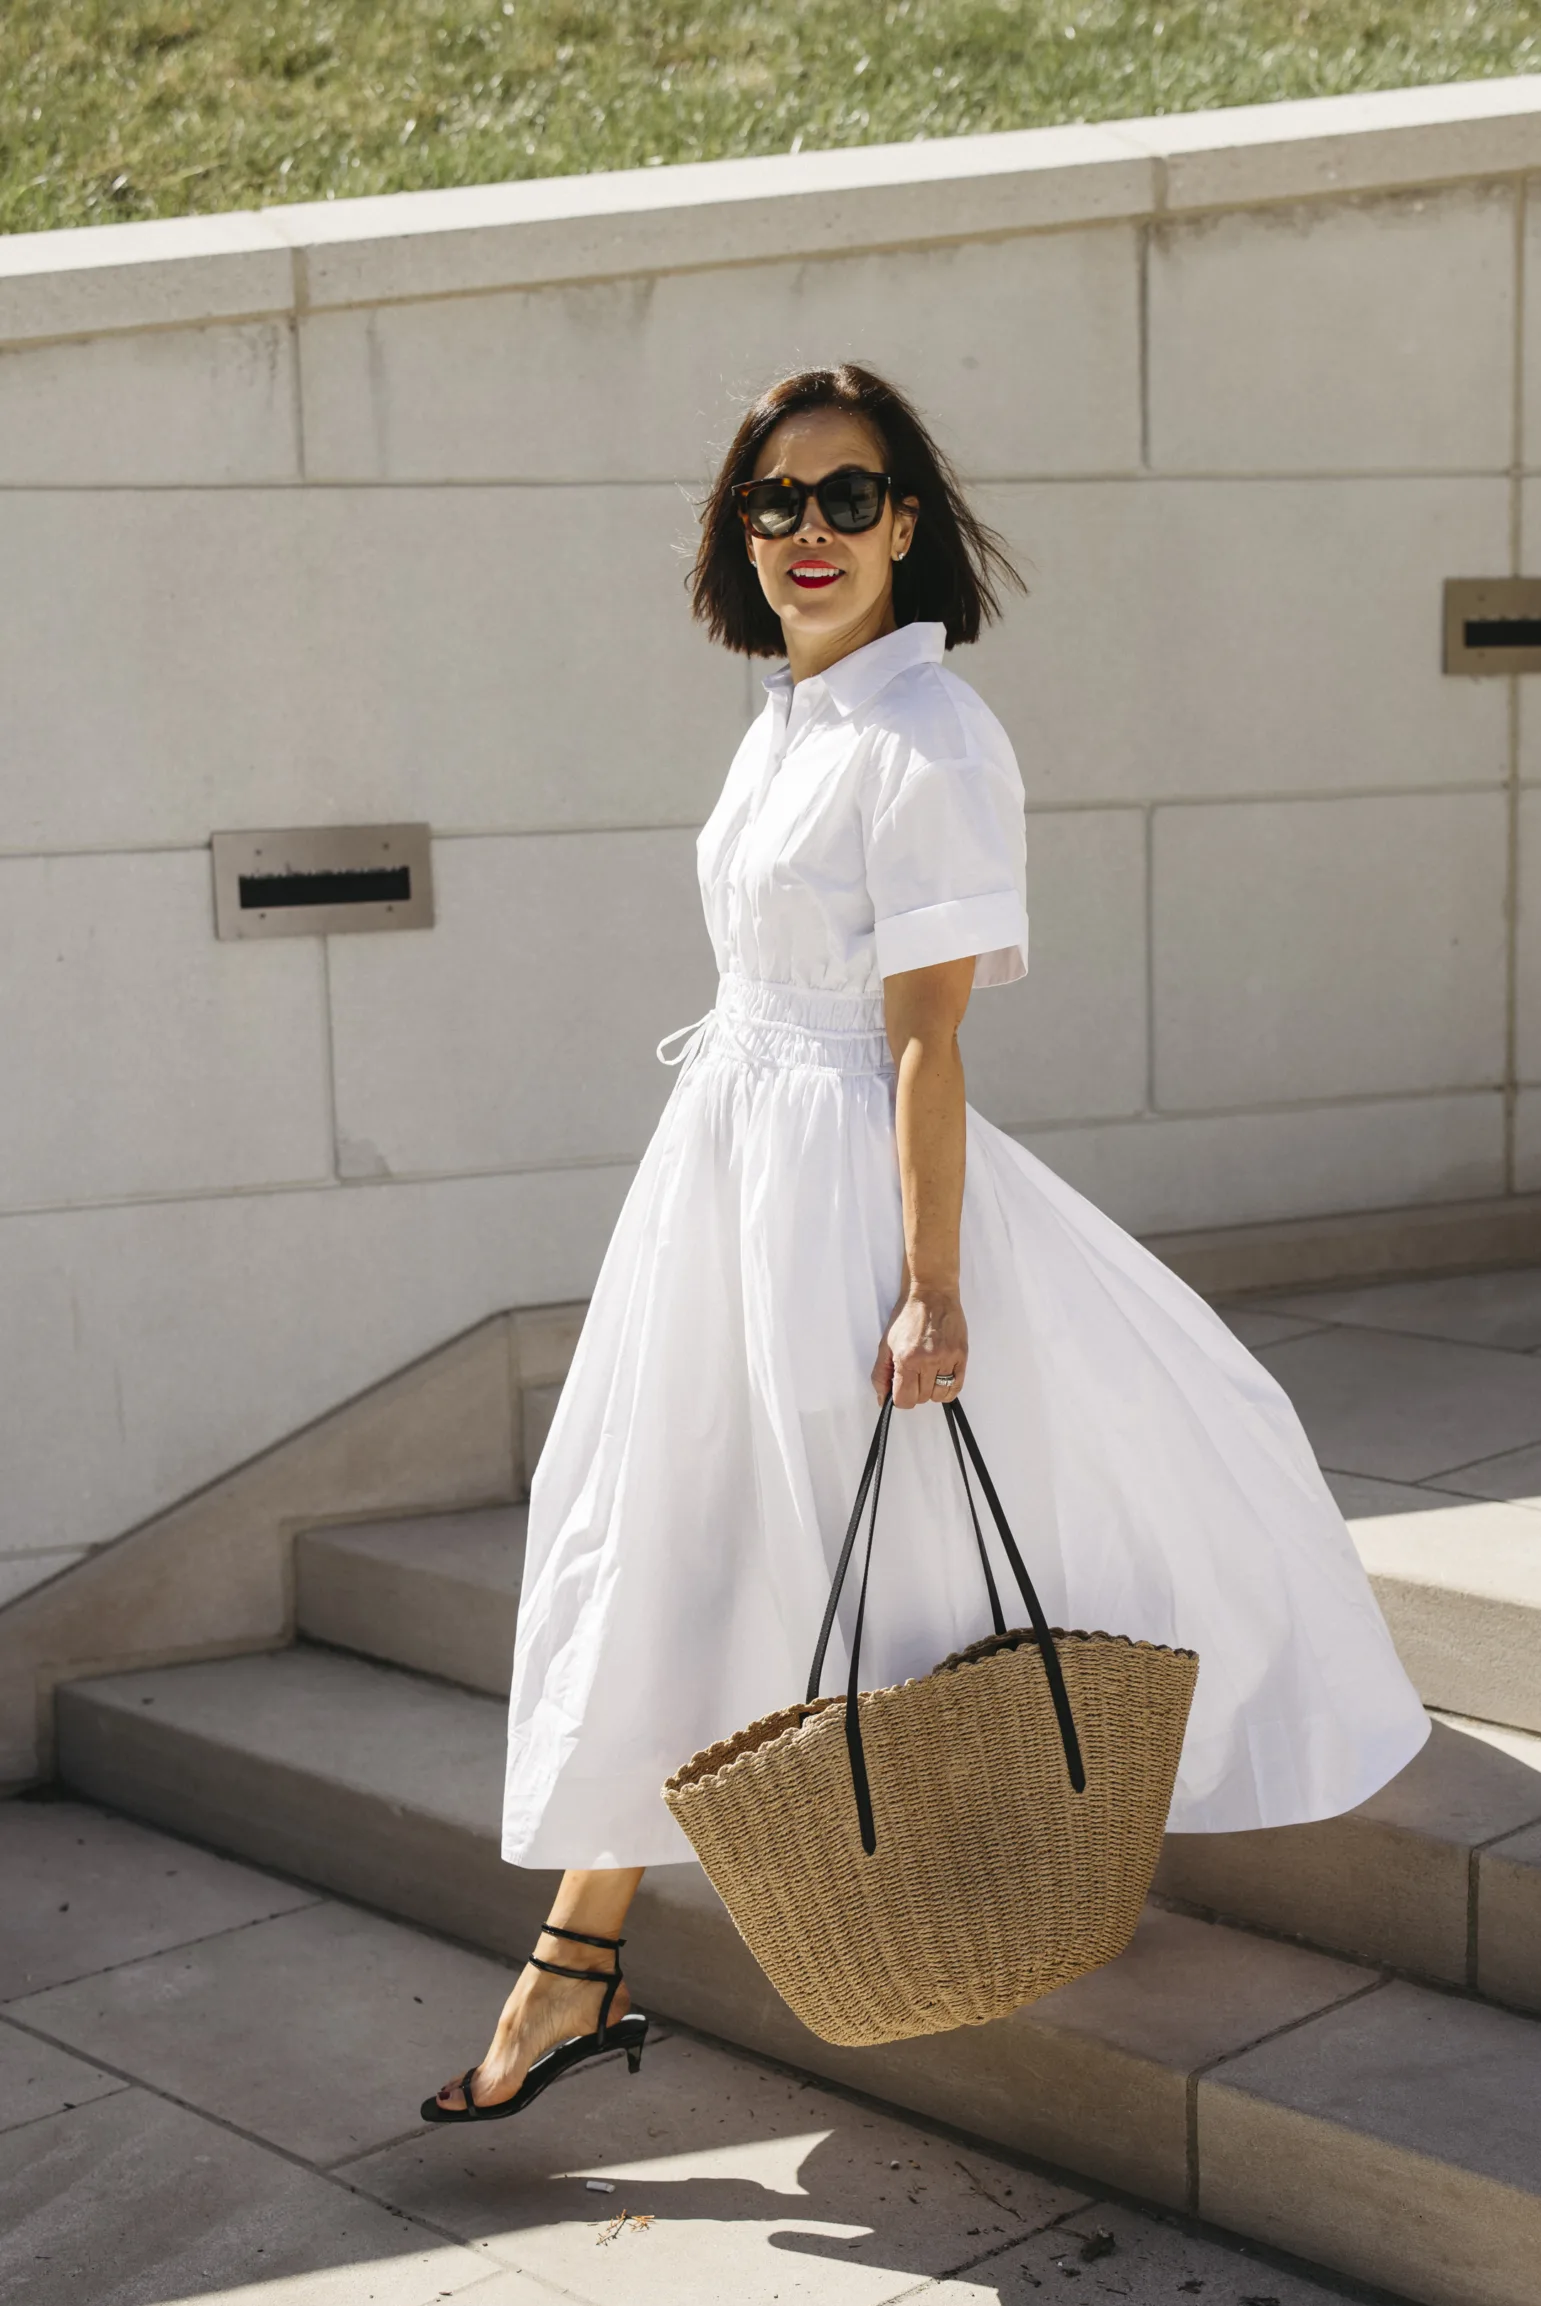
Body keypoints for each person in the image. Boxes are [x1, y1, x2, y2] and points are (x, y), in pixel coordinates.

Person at [423, 362, 1428, 2123]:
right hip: (723, 1167)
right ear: (738, 531)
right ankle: (581, 1953)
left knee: (811, 1543)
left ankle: (631, 1945)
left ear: (907, 522)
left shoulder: (930, 737)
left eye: (846, 496)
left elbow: (922, 1040)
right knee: (673, 1528)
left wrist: (930, 1283)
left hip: (832, 1180)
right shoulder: (791, 714)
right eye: (774, 500)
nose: (807, 531)